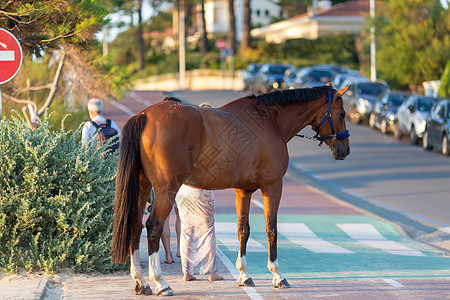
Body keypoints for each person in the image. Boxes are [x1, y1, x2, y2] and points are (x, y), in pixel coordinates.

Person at [175, 102, 223, 282]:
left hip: (184, 189)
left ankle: (187, 273)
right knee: (207, 229)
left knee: (187, 230)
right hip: (202, 189)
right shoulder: (213, 139)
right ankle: (212, 272)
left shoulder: (184, 135)